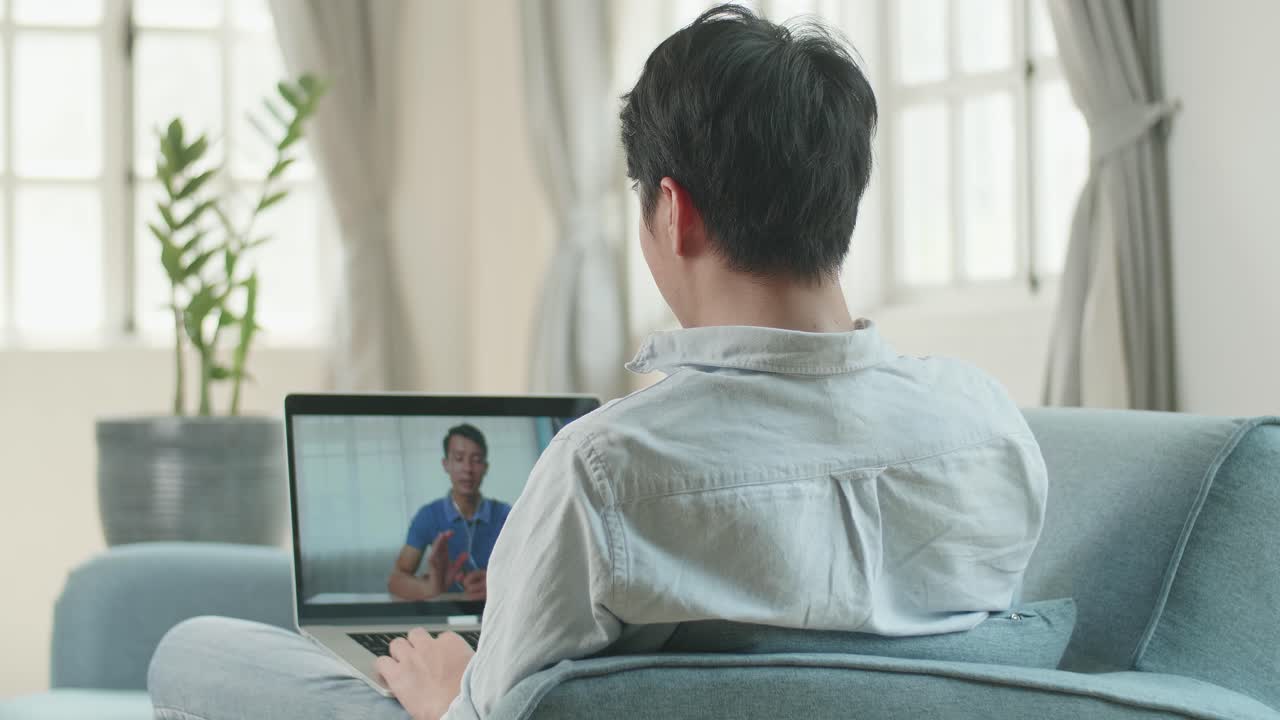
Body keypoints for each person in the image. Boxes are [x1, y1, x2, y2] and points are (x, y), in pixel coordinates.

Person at [148, 6, 1047, 720]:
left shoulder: (604, 468)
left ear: (673, 211)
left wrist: (444, 696)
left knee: (195, 651)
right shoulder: (989, 426)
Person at [387, 424, 512, 601]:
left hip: (495, 616)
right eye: (459, 458)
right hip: (445, 617)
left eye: (476, 460)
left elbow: (536, 571)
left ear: (485, 467)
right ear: (446, 464)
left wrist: (498, 582)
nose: (468, 469)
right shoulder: (428, 515)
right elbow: (396, 580)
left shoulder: (506, 515)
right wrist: (431, 588)